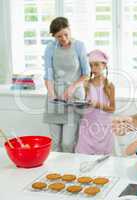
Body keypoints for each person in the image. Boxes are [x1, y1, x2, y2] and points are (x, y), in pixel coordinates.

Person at [43, 17, 90, 152]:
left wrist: (73, 87)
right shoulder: (50, 48)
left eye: (65, 34)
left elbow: (86, 73)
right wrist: (51, 94)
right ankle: (54, 173)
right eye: (59, 36)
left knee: (68, 143)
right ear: (54, 36)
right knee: (55, 143)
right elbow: (48, 74)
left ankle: (69, 171)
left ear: (70, 30)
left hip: (73, 97)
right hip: (55, 95)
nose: (63, 38)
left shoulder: (79, 46)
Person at [75, 50, 115, 155]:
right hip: (88, 124)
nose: (93, 69)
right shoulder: (86, 83)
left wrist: (97, 104)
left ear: (104, 65)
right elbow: (85, 102)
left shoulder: (109, 85)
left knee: (102, 157)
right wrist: (81, 104)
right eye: (91, 66)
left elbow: (112, 108)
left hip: (103, 126)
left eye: (96, 65)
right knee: (83, 154)